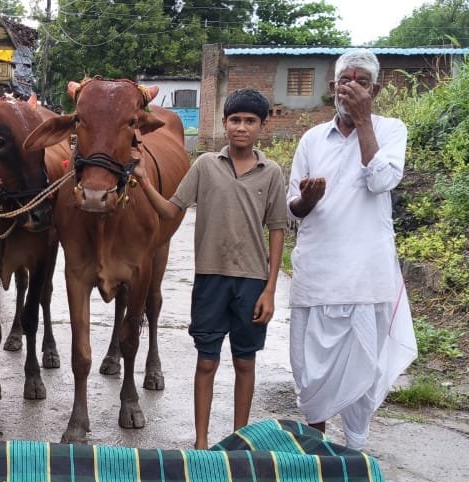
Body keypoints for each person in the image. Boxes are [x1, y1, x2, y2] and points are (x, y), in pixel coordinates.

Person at [285, 49, 418, 450]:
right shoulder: (311, 139)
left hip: (365, 278)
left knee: (362, 372)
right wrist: (308, 200)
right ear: (332, 88)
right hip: (317, 277)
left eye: (362, 82)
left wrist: (362, 122)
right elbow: (292, 209)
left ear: (374, 90)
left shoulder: (391, 130)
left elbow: (381, 182)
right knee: (310, 377)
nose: (352, 88)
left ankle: (355, 454)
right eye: (346, 80)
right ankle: (313, 459)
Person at [141, 88, 288, 450]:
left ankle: (239, 441)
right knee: (206, 361)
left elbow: (278, 230)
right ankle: (202, 442)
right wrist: (143, 180)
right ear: (224, 123)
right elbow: (171, 211)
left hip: (253, 283)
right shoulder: (205, 165)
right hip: (210, 279)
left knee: (245, 362)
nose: (241, 128)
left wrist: (270, 290)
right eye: (235, 120)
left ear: (262, 127)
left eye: (250, 121)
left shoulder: (271, 174)